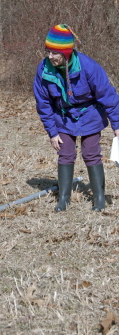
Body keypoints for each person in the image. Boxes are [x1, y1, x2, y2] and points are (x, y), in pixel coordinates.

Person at [33, 24, 119, 212]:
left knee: (91, 153)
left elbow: (109, 96)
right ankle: (64, 198)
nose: (50, 56)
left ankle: (99, 198)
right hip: (63, 116)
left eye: (54, 53)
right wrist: (52, 132)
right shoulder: (44, 69)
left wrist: (117, 125)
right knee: (65, 153)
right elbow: (43, 103)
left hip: (90, 114)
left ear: (66, 52)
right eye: (48, 51)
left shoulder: (89, 67)